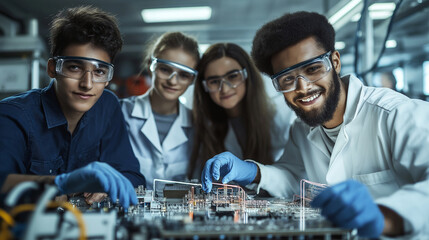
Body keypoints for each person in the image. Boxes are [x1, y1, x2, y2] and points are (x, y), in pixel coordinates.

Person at [201, 11, 429, 238]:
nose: (302, 87)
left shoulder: (397, 114)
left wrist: (385, 216)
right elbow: (293, 178)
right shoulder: (300, 130)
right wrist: (253, 172)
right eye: (287, 79)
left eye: (312, 69)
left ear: (335, 62)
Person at [0, 6, 145, 208]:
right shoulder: (13, 115)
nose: (87, 83)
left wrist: (106, 187)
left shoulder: (107, 106)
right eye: (75, 68)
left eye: (100, 71)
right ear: (53, 68)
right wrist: (58, 185)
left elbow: (132, 176)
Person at [189, 43, 295, 178]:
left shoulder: (282, 115)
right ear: (204, 87)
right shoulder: (209, 127)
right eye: (214, 81)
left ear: (247, 76)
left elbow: (293, 173)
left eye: (232, 76)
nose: (225, 89)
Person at [121, 32, 200, 189]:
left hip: (181, 213)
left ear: (192, 80)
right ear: (151, 65)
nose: (173, 81)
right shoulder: (120, 112)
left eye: (184, 75)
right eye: (165, 69)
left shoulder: (197, 124)